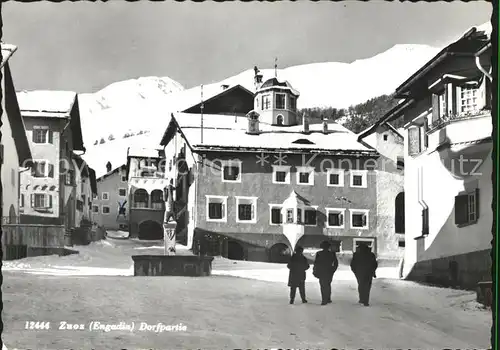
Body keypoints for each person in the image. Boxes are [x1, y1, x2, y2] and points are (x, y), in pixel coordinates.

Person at [313, 241, 339, 305]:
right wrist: (333, 270)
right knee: (328, 284)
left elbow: (316, 263)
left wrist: (315, 271)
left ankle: (324, 299)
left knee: (323, 286)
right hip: (329, 271)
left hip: (321, 271)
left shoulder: (319, 253)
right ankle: (328, 298)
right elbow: (336, 263)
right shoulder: (332, 254)